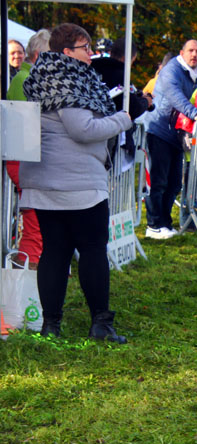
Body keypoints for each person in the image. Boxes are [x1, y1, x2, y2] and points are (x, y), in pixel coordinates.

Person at [20, 23, 134, 343]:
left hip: (50, 181)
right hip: (76, 183)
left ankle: (51, 326)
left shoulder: (44, 74)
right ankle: (100, 324)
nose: (91, 54)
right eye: (86, 48)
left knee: (55, 253)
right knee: (92, 250)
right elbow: (82, 129)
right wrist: (125, 117)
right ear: (67, 52)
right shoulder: (66, 78)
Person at [144, 39, 197, 240]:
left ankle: (165, 223)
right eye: (191, 51)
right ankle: (153, 224)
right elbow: (176, 98)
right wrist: (195, 113)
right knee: (159, 181)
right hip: (160, 130)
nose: (195, 55)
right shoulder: (171, 71)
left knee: (174, 184)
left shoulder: (195, 74)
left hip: (178, 133)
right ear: (182, 52)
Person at [5, 29, 51, 269]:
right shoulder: (26, 81)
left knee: (38, 223)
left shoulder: (26, 78)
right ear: (39, 54)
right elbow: (33, 128)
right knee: (35, 224)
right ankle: (27, 282)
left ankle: (33, 277)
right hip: (25, 160)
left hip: (26, 159)